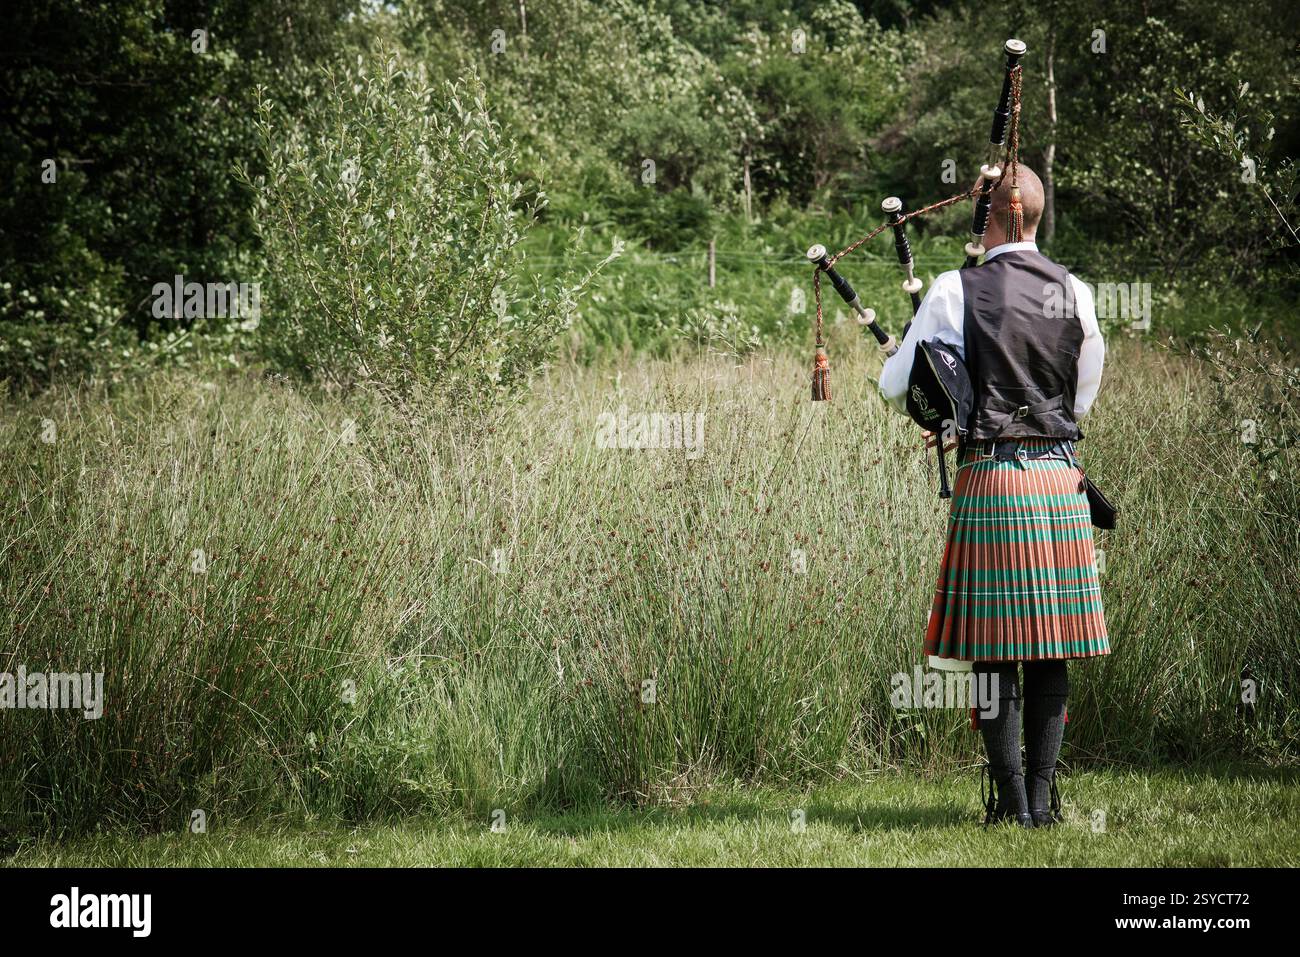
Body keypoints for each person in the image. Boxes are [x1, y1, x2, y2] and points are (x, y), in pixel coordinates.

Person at [878, 164, 1109, 828]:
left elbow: (899, 387)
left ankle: (1009, 802)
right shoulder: (1077, 291)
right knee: (1049, 644)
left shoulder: (956, 288)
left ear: (998, 214)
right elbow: (1082, 389)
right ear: (1034, 214)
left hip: (992, 477)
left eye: (979, 210)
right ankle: (1041, 799)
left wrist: (951, 411)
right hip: (1060, 477)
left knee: (994, 647)